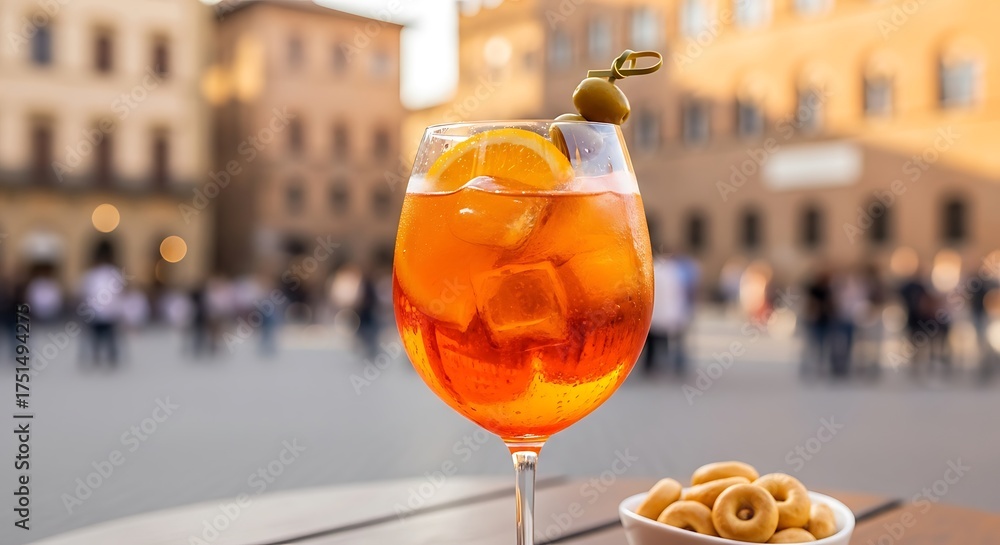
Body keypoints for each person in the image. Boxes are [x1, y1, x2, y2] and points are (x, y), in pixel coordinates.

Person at [79, 240, 123, 368]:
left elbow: (85, 292)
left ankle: (101, 358)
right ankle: (106, 358)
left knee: (102, 338)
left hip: (99, 311)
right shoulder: (112, 273)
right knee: (105, 337)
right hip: (104, 312)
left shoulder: (92, 274)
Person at [802, 268, 834, 376]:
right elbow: (809, 304)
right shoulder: (813, 289)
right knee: (813, 345)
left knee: (822, 346)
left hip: (825, 320)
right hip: (815, 321)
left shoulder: (828, 289)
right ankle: (810, 367)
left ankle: (820, 368)